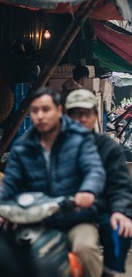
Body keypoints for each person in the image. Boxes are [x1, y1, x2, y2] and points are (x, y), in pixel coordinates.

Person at [0, 87, 105, 277]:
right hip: (35, 220)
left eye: (46, 109)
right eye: (35, 110)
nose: (40, 116)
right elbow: (10, 183)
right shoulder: (22, 148)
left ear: (58, 111)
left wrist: (87, 191)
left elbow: (94, 170)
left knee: (85, 248)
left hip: (75, 219)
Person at [65, 90, 132, 277]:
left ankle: (111, 271)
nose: (80, 119)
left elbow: (120, 186)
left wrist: (119, 211)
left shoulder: (107, 147)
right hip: (63, 214)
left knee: (120, 230)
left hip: (99, 211)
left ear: (95, 116)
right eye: (75, 114)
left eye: (86, 114)